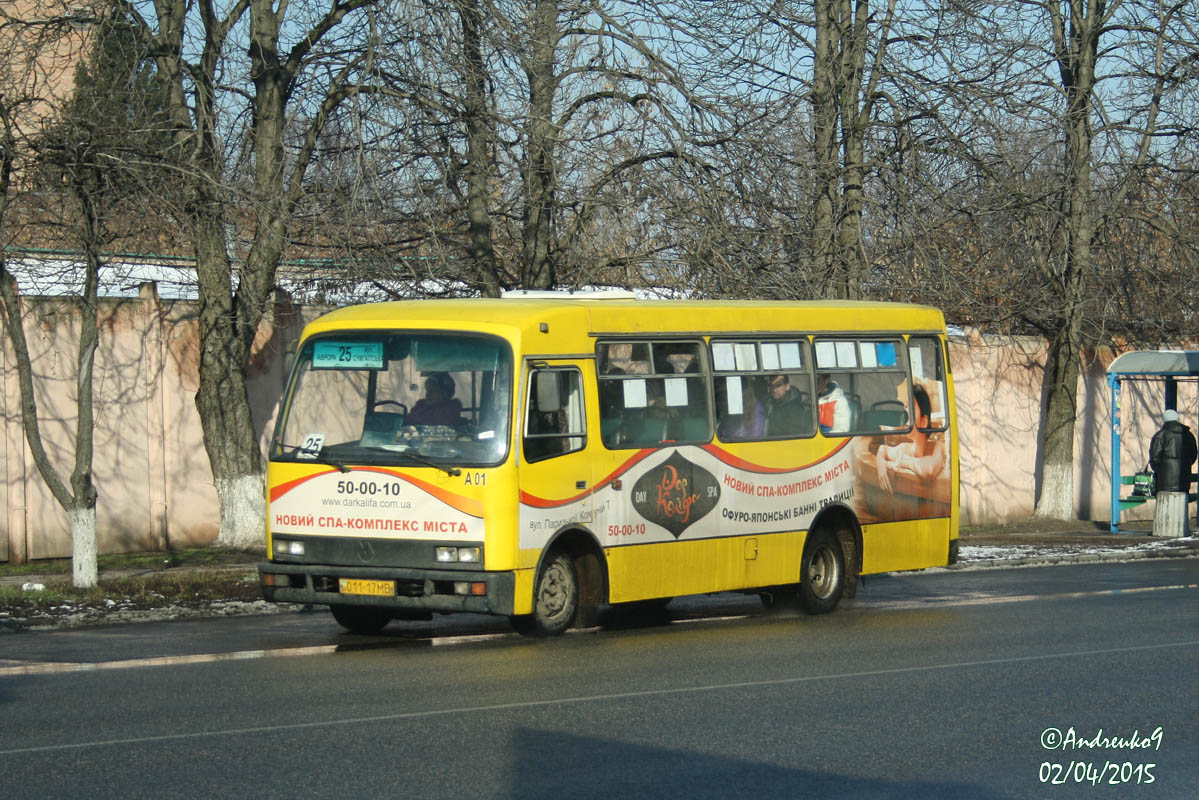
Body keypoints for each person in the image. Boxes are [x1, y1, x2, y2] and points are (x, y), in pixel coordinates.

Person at [875, 384, 947, 493]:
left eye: (911, 407)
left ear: (923, 422)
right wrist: (880, 465)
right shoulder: (904, 449)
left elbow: (930, 469)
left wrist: (904, 461)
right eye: (906, 407)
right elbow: (882, 449)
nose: (905, 412)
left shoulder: (937, 447)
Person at [1149, 409, 1197, 494]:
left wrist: (1160, 470)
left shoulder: (1160, 435)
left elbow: (1154, 458)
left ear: (1165, 419)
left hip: (1164, 483)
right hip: (1184, 483)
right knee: (1181, 506)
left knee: (1166, 506)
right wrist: (1186, 465)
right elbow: (1193, 456)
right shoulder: (1189, 435)